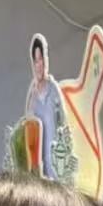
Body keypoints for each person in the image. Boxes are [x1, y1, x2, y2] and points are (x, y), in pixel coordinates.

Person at [27, 34, 69, 180]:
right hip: (38, 174)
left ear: (46, 60)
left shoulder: (54, 91)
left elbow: (64, 126)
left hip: (56, 172)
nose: (38, 65)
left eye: (41, 59)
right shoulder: (32, 97)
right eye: (35, 61)